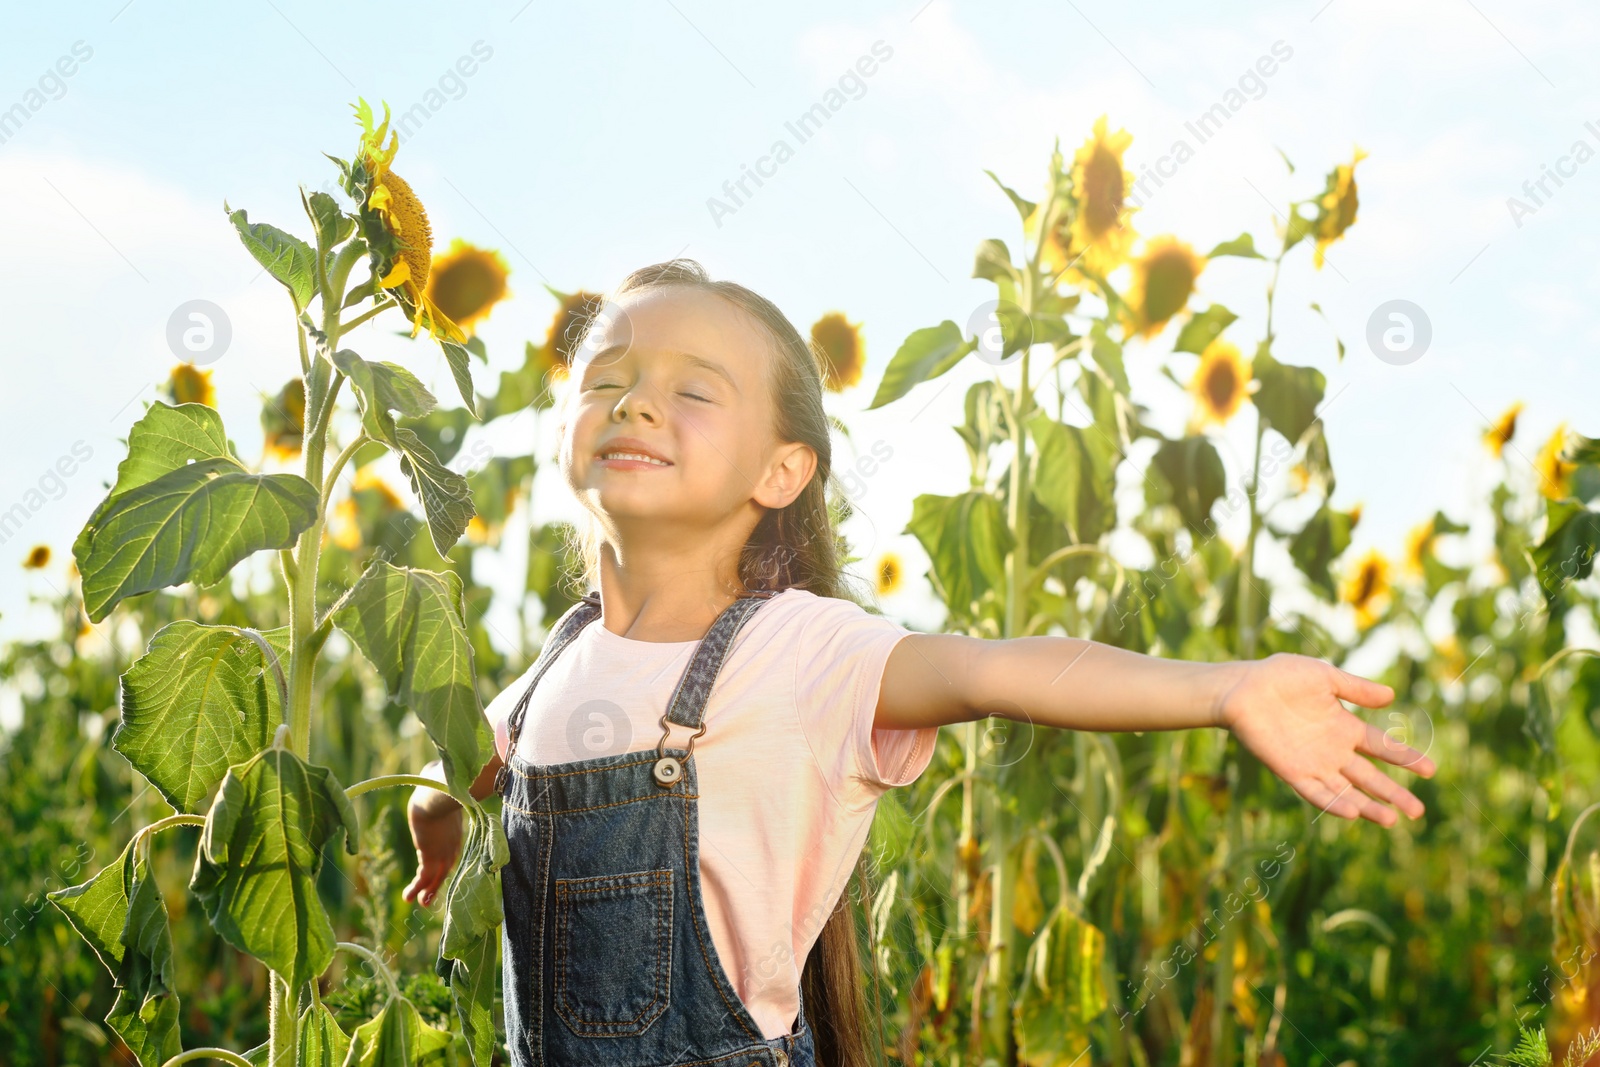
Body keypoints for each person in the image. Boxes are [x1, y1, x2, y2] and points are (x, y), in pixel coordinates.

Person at [401, 258, 1436, 1067]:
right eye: (606, 380)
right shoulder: (556, 663)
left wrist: (1224, 686)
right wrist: (438, 827)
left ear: (781, 468)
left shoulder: (797, 648)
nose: (632, 404)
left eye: (691, 392)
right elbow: (474, 768)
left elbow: (1003, 670)